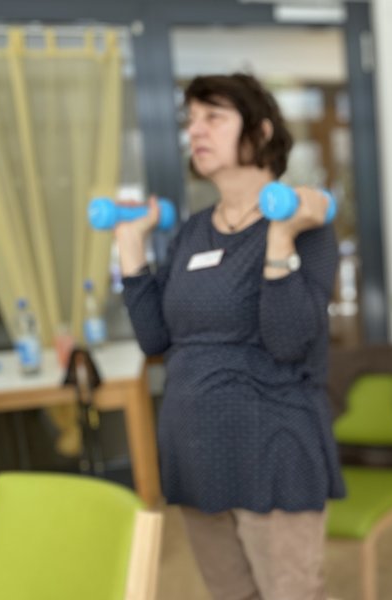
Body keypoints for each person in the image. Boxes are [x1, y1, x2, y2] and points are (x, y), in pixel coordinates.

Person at [115, 73, 341, 600]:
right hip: (194, 449)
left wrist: (281, 235)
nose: (196, 129)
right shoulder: (194, 232)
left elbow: (287, 341)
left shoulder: (306, 222)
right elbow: (155, 339)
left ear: (259, 133)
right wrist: (131, 248)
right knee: (231, 594)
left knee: (292, 593)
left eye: (213, 116)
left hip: (273, 446)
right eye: (190, 119)